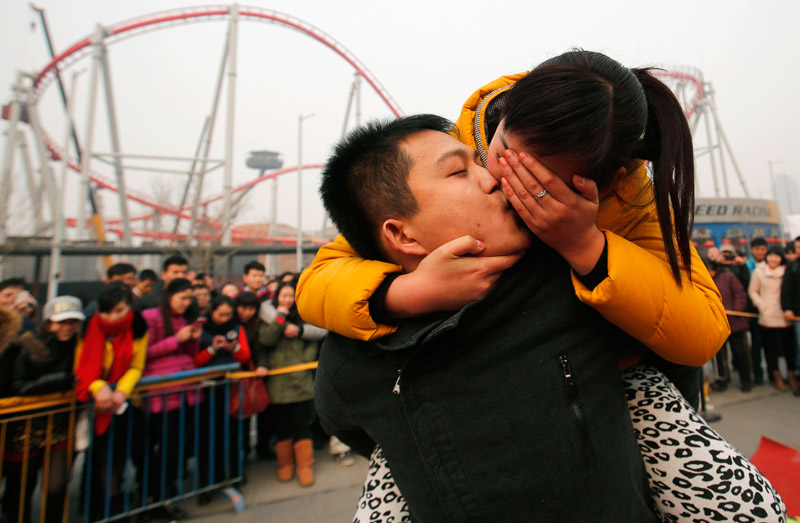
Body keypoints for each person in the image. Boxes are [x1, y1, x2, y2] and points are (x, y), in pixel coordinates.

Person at [312, 115, 784, 521]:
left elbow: (676, 358)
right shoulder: (354, 354)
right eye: (459, 171)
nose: (494, 176)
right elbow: (348, 422)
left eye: (479, 160)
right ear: (401, 235)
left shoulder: (580, 283)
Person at [4, 297, 83, 523]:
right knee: (20, 490)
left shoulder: (79, 346)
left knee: (57, 486)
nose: (67, 327)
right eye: (61, 321)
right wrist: (61, 380)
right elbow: (18, 385)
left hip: (60, 426)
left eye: (72, 321)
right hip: (26, 428)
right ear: (48, 321)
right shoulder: (28, 344)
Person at [74, 283, 148, 521]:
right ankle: (96, 508)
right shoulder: (88, 327)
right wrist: (99, 387)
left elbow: (137, 366)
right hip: (93, 403)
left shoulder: (138, 327)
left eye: (119, 310)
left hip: (123, 404)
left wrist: (121, 391)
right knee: (98, 458)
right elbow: (81, 368)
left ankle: (115, 509)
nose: (114, 317)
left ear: (129, 308)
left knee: (117, 457)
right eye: (108, 311)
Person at [139, 278, 202, 518]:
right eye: (182, 298)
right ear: (169, 296)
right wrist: (176, 339)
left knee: (178, 450)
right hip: (162, 395)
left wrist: (193, 339)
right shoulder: (151, 317)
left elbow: (190, 355)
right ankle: (154, 499)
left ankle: (169, 497)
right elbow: (145, 352)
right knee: (163, 450)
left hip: (188, 392)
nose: (186, 303)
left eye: (189, 299)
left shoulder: (186, 318)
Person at [258, 282, 323, 488]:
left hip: (301, 380)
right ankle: (285, 465)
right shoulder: (270, 319)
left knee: (301, 424)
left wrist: (305, 361)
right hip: (278, 382)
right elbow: (266, 340)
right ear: (277, 297)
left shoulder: (304, 317)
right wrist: (280, 319)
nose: (287, 299)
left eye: (290, 296)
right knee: (282, 426)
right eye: (283, 295)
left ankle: (305, 466)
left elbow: (313, 341)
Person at [750, 246, 798, 392]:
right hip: (767, 315)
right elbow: (753, 291)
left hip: (785, 314)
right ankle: (775, 374)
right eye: (771, 255)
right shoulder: (759, 271)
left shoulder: (787, 270)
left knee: (789, 347)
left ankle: (791, 374)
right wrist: (761, 304)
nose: (773, 258)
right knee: (770, 348)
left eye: (777, 256)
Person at [708, 259, 752, 392]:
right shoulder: (705, 281)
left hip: (735, 322)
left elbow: (740, 294)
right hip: (716, 325)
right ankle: (722, 380)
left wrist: (737, 310)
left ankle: (746, 381)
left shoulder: (729, 276)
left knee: (740, 353)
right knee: (719, 357)